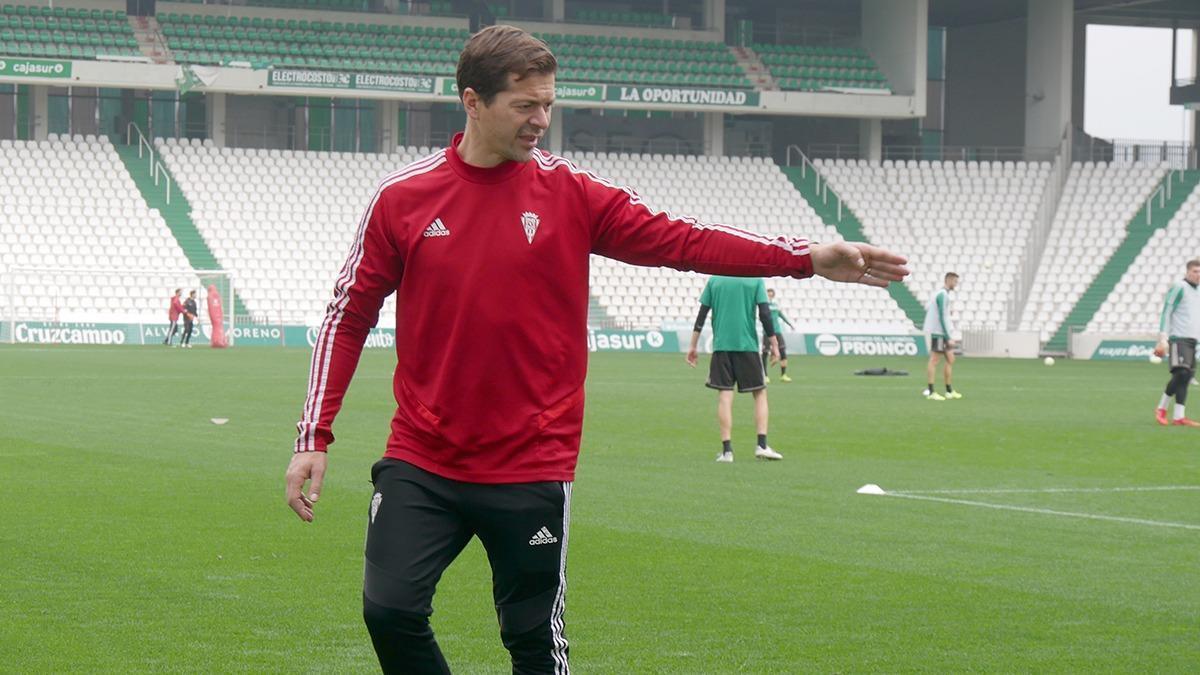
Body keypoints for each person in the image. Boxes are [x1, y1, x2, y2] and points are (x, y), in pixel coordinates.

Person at [283, 25, 908, 675]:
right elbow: (347, 316)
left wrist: (804, 257)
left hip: (530, 462)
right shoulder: (402, 198)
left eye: (549, 104)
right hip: (424, 455)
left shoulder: (572, 195)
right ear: (472, 101)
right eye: (525, 106)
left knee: (531, 641)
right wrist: (313, 434)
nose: (541, 120)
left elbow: (684, 240)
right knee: (390, 611)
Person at [687, 276, 782, 463]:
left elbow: (702, 314)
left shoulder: (715, 280)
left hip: (722, 346)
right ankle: (761, 445)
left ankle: (727, 451)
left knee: (724, 395)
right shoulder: (754, 279)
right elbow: (765, 314)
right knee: (760, 394)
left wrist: (693, 345)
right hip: (747, 345)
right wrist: (775, 344)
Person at [1154, 259, 1200, 426]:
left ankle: (1179, 417)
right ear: (1188, 272)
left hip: (1192, 340)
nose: (1198, 275)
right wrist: (1163, 338)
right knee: (1181, 373)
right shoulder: (1179, 287)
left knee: (1186, 377)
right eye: (1195, 271)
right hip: (1178, 339)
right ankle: (1161, 408)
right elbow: (1167, 311)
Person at [923, 272, 960, 400]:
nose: (956, 284)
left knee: (950, 359)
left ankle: (949, 391)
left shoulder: (941, 295)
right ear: (948, 280)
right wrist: (947, 336)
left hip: (941, 332)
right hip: (939, 333)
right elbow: (942, 316)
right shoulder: (942, 295)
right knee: (934, 360)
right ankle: (931, 391)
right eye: (955, 281)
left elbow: (933, 310)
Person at [761, 288, 795, 383]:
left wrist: (790, 324)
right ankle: (765, 376)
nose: (769, 296)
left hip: (777, 331)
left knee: (783, 351)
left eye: (771, 295)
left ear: (773, 295)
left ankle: (783, 375)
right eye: (768, 295)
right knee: (764, 353)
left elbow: (781, 316)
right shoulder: (763, 305)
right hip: (767, 332)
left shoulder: (776, 305)